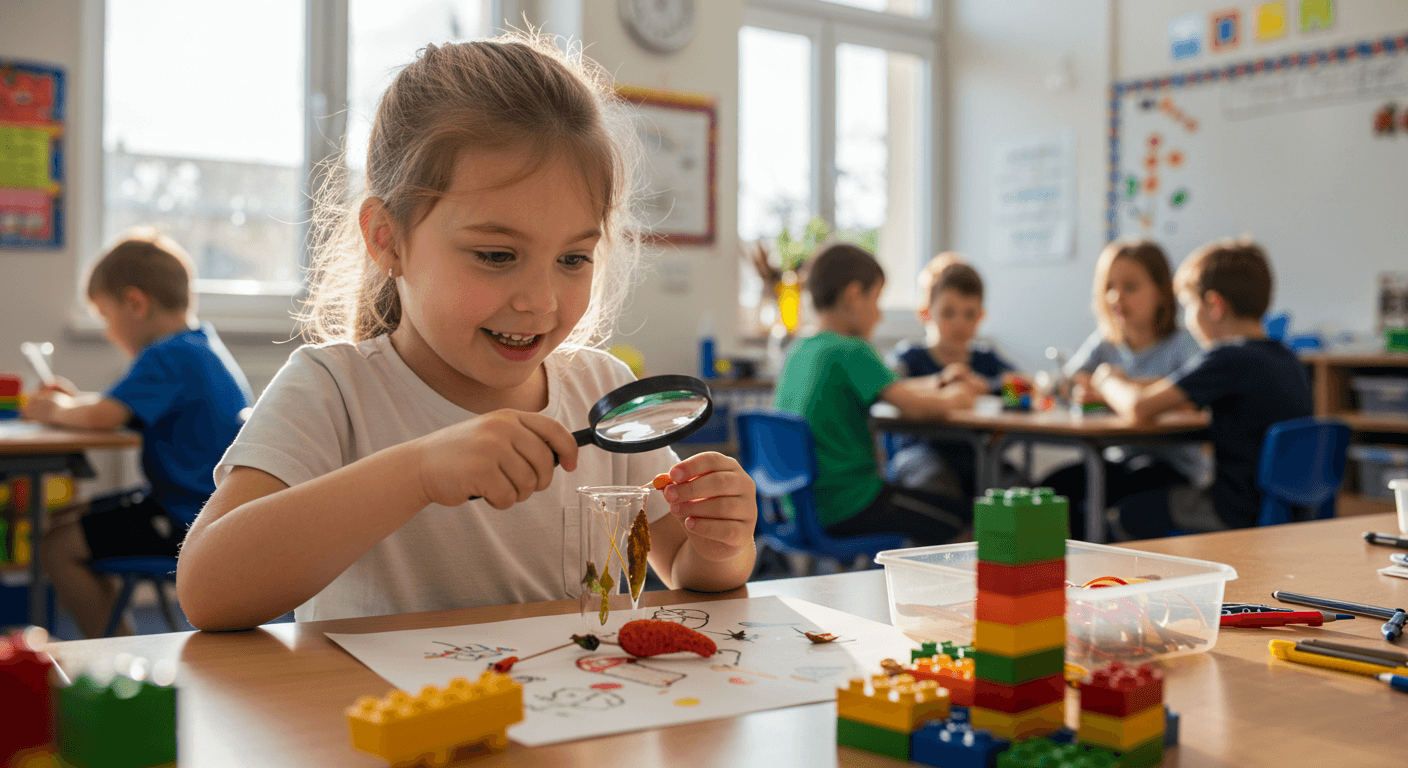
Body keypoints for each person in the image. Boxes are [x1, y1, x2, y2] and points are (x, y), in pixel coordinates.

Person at [175, 35, 758, 630]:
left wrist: (720, 542)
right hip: (397, 719)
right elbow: (208, 590)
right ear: (388, 240)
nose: (541, 302)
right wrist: (421, 471)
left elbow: (681, 565)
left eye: (574, 259)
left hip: (576, 714)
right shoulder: (333, 391)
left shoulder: (600, 390)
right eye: (497, 255)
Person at [22, 229, 252, 637]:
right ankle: (117, 631)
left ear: (135, 303)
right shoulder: (198, 346)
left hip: (186, 520)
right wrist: (77, 404)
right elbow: (115, 409)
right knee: (65, 519)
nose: (110, 334)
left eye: (108, 319)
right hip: (203, 510)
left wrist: (58, 408)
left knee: (55, 547)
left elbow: (103, 417)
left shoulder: (167, 355)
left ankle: (115, 651)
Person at [1088, 238, 1312, 538]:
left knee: (1128, 513)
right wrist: (1134, 384)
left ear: (1214, 305)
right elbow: (1175, 390)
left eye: (1189, 306)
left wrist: (1106, 380)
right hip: (1288, 509)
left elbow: (1139, 409)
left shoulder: (1226, 358)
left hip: (1234, 510)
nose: (1188, 319)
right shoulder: (1283, 358)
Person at [773, 243, 977, 547]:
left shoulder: (801, 349)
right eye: (877, 300)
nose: (879, 316)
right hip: (850, 505)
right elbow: (917, 408)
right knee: (967, 520)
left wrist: (938, 382)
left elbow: (893, 389)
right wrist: (958, 397)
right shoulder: (851, 349)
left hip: (799, 508)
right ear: (855, 295)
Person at [1040, 239, 1203, 538]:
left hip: (1170, 466)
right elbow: (1067, 380)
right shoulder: (1106, 341)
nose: (1116, 296)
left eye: (1131, 287)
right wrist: (1076, 388)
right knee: (1051, 491)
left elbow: (1194, 393)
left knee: (1114, 499)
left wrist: (1111, 388)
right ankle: (1066, 575)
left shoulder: (1182, 343)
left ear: (1161, 292)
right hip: (1118, 459)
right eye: (1109, 287)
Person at [885, 253, 1014, 499]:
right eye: (948, 313)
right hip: (919, 453)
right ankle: (956, 535)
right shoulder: (910, 357)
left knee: (1017, 488)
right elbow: (887, 386)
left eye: (969, 314)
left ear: (981, 317)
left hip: (977, 455)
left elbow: (1022, 385)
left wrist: (985, 386)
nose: (959, 324)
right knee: (937, 484)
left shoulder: (986, 359)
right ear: (925, 313)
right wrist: (942, 383)